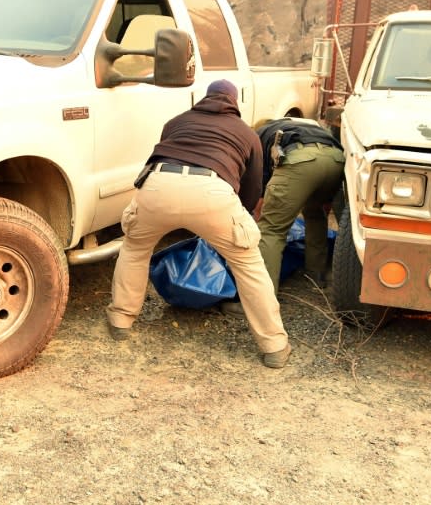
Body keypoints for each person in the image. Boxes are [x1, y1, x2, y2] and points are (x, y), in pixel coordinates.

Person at [105, 79, 291, 369]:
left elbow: (167, 150)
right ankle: (274, 345)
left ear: (205, 98)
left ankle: (120, 320)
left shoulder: (176, 121)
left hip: (157, 184)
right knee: (248, 264)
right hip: (212, 190)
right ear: (233, 101)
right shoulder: (246, 133)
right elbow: (252, 188)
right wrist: (233, 222)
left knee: (135, 248)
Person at [254, 117, 345, 294]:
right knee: (315, 215)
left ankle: (261, 300)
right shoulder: (303, 126)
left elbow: (261, 180)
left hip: (300, 160)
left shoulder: (260, 133)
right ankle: (316, 276)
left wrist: (260, 214)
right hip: (336, 160)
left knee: (272, 230)